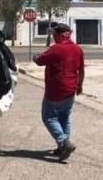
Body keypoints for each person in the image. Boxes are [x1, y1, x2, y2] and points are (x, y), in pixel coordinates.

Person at [33, 22, 84, 162]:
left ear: (58, 35)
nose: (53, 37)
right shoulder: (77, 49)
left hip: (55, 90)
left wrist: (35, 57)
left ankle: (64, 142)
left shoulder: (56, 49)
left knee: (48, 118)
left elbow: (40, 61)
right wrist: (80, 86)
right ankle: (62, 148)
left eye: (54, 34)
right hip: (71, 89)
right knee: (64, 118)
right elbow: (81, 70)